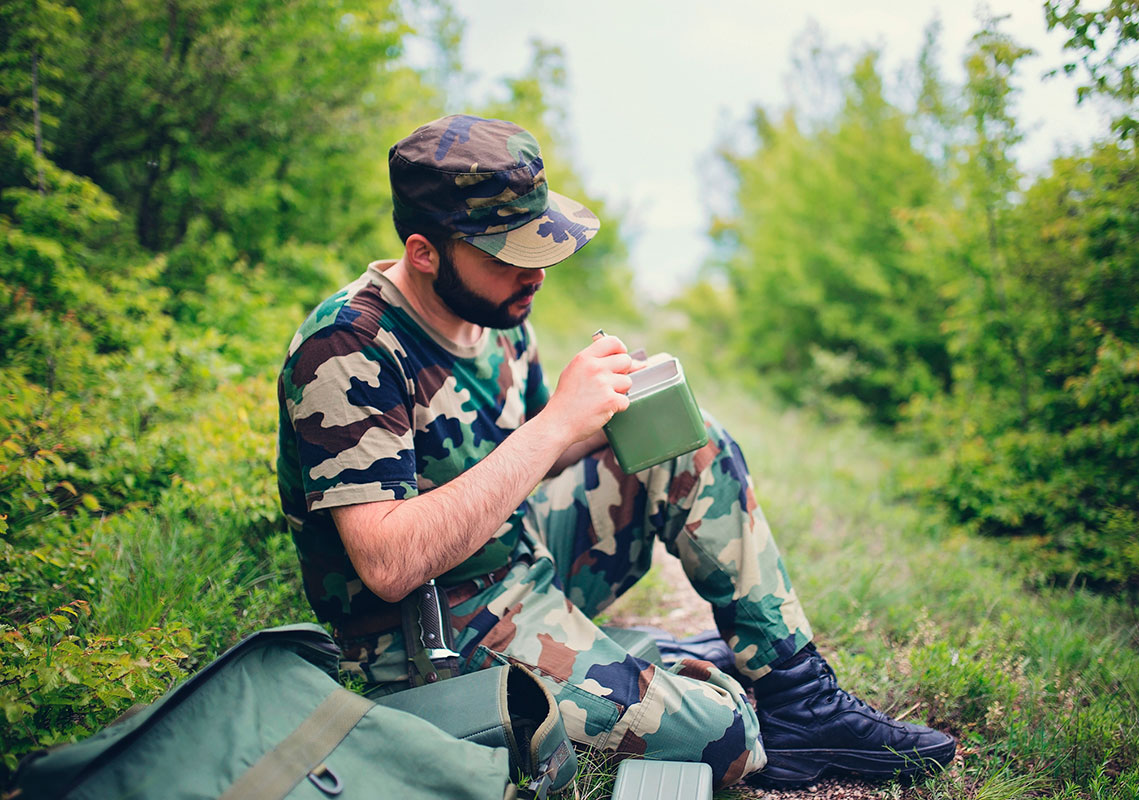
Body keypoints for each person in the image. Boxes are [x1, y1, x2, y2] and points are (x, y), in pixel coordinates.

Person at [275, 114, 956, 789]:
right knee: (724, 737)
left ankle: (803, 696)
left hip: (519, 551)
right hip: (432, 634)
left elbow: (529, 456)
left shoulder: (495, 313)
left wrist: (603, 416)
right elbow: (388, 565)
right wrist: (555, 424)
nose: (535, 276)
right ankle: (705, 678)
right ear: (425, 253)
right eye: (508, 258)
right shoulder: (348, 349)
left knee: (689, 438)